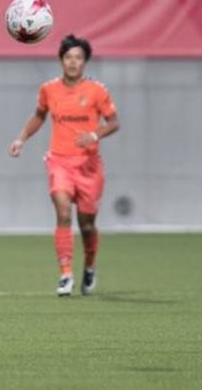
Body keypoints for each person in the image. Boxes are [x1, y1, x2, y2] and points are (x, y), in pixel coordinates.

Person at [8, 34, 119, 296]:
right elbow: (39, 116)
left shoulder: (97, 91)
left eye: (78, 58)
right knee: (63, 214)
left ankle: (89, 266)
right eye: (68, 57)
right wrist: (21, 138)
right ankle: (65, 273)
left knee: (87, 224)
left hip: (89, 165)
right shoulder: (49, 89)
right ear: (61, 60)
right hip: (59, 161)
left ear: (85, 62)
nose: (73, 62)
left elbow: (114, 122)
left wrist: (94, 135)